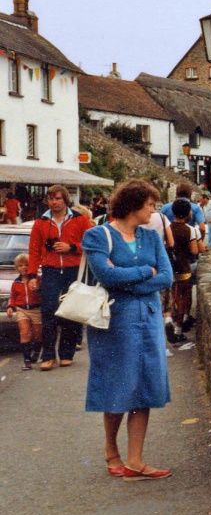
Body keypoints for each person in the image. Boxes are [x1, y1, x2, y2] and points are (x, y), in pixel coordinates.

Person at [82, 178, 173, 481]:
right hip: (114, 322)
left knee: (144, 388)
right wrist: (145, 271)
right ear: (134, 205)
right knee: (117, 385)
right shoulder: (98, 235)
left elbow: (167, 278)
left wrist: (127, 278)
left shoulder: (151, 238)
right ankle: (112, 451)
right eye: (150, 205)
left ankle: (135, 461)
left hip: (147, 320)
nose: (153, 211)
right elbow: (106, 276)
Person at [27, 184, 92, 371]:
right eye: (51, 199)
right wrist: (32, 275)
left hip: (73, 270)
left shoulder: (79, 220)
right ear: (47, 201)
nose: (54, 202)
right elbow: (33, 251)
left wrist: (71, 247)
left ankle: (66, 353)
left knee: (70, 311)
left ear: (65, 200)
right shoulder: (40, 223)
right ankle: (48, 356)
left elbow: (90, 243)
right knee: (48, 311)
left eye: (58, 198)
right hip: (51, 271)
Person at [142, 204, 176, 342]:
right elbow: (171, 242)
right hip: (160, 259)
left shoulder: (137, 221)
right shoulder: (162, 217)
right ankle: (167, 320)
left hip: (144, 260)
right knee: (166, 292)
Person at [168, 199, 199, 337]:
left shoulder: (167, 227)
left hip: (169, 266)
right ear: (187, 213)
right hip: (183, 267)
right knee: (182, 297)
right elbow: (194, 250)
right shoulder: (190, 229)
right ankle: (178, 329)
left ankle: (168, 320)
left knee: (171, 295)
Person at [7, 254, 42, 370]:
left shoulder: (37, 280)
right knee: (25, 333)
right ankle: (26, 360)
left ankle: (36, 351)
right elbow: (13, 297)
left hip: (36, 309)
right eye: (20, 266)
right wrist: (11, 307)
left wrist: (38, 289)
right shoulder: (16, 283)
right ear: (17, 268)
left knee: (37, 335)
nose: (24, 268)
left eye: (26, 265)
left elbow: (43, 293)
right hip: (22, 310)